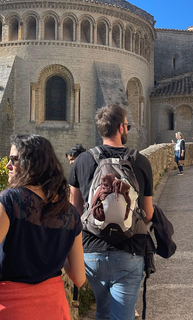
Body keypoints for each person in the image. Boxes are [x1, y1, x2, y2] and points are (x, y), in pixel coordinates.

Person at [0, 134, 86, 320]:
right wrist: (57, 248)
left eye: (14, 160)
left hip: (8, 308)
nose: (7, 165)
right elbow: (79, 278)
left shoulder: (10, 200)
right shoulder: (71, 214)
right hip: (53, 309)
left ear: (32, 164)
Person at [68, 104, 154, 320]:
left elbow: (75, 211)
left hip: (92, 253)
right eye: (127, 125)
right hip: (130, 251)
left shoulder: (83, 161)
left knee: (103, 312)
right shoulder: (140, 161)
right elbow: (149, 213)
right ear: (121, 127)